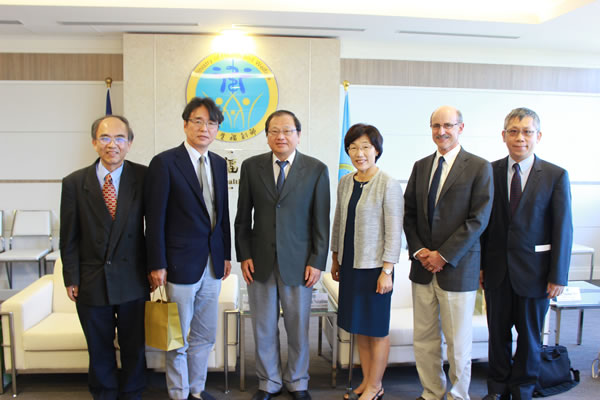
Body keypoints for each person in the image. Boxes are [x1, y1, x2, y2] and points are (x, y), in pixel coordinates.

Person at [235, 110, 330, 400]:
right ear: (267, 136)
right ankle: (269, 382)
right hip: (259, 261)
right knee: (263, 326)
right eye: (274, 131)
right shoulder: (251, 167)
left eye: (287, 131)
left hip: (300, 263)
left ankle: (298, 381)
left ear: (298, 135)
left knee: (298, 326)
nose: (281, 136)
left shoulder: (316, 169)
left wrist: (317, 261)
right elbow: (242, 217)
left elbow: (321, 222)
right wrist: (244, 255)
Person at [481, 108, 573, 400]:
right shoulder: (489, 171)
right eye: (513, 131)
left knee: (530, 338)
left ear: (538, 136)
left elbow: (563, 229)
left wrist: (558, 275)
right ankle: (497, 388)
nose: (520, 138)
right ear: (504, 136)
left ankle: (523, 389)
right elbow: (483, 225)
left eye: (527, 132)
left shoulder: (555, 175)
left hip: (536, 274)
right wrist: (481, 266)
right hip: (496, 272)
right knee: (497, 336)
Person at [404, 105, 493, 400]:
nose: (441, 131)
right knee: (424, 339)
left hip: (458, 268)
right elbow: (409, 214)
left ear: (460, 128)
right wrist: (420, 251)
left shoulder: (479, 167)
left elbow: (478, 220)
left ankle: (458, 395)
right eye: (436, 126)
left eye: (448, 125)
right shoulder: (420, 166)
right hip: (422, 268)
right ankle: (431, 392)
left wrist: (442, 255)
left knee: (458, 343)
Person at [145, 97, 231, 400]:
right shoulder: (165, 163)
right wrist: (157, 263)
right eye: (198, 121)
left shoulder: (219, 163)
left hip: (212, 264)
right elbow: (154, 218)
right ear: (185, 125)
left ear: (217, 129)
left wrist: (226, 255)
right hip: (179, 264)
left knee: (205, 335)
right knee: (177, 337)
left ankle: (196, 390)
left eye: (211, 123)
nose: (204, 128)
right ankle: (179, 393)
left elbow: (222, 214)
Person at [60, 115, 148, 400]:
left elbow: (155, 227)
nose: (113, 144)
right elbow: (69, 236)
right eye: (105, 138)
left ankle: (133, 392)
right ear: (94, 142)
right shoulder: (74, 183)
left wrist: (156, 267)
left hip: (133, 276)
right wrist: (71, 277)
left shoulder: (144, 177)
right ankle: (104, 393)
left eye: (120, 138)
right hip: (91, 278)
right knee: (99, 347)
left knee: (134, 345)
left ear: (130, 143)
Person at [330, 124, 403, 400]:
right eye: (353, 148)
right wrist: (335, 257)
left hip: (375, 269)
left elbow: (394, 232)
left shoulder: (388, 184)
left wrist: (387, 271)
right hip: (350, 265)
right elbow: (339, 222)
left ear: (376, 150)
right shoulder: (346, 182)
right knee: (359, 326)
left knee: (377, 329)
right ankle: (367, 381)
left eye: (365, 147)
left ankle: (376, 385)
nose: (359, 153)